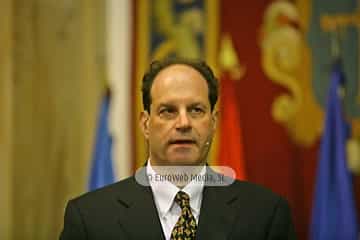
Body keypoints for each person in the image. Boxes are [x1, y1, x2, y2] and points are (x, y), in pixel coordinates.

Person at [59, 58, 297, 240]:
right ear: (145, 124)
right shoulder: (90, 219)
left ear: (213, 123)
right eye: (168, 111)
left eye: (196, 110)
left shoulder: (265, 215)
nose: (183, 123)